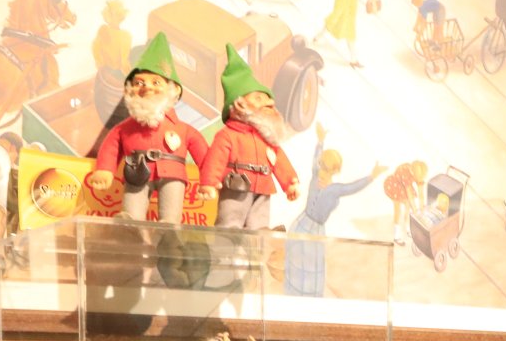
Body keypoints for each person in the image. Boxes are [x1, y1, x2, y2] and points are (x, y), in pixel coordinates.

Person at [87, 34, 208, 222]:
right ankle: (130, 226)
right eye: (139, 83)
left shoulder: (184, 130)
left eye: (156, 82)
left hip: (173, 173)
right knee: (131, 213)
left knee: (171, 216)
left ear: (174, 89)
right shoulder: (124, 129)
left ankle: (169, 229)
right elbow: (111, 147)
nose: (147, 88)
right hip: (136, 172)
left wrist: (209, 181)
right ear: (129, 89)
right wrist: (105, 169)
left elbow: (204, 155)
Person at [198, 46, 299, 230]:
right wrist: (209, 183)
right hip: (236, 186)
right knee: (230, 221)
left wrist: (290, 183)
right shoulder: (228, 135)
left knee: (259, 224)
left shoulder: (267, 138)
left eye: (268, 99)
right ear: (239, 104)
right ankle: (226, 244)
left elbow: (279, 161)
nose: (269, 102)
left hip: (263, 188)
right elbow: (215, 160)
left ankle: (258, 244)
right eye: (259, 98)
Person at [285, 123, 385, 296]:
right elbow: (353, 187)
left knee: (300, 267)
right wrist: (372, 176)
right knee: (309, 269)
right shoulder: (333, 188)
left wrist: (320, 141)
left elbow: (316, 159)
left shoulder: (319, 177)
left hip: (302, 226)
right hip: (312, 231)